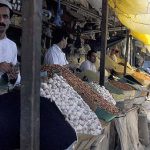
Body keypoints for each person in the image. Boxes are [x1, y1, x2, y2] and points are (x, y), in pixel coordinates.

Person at [0, 0, 19, 84]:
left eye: (5, 16)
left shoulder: (12, 46)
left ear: (10, 21)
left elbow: (16, 78)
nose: (1, 21)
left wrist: (15, 77)